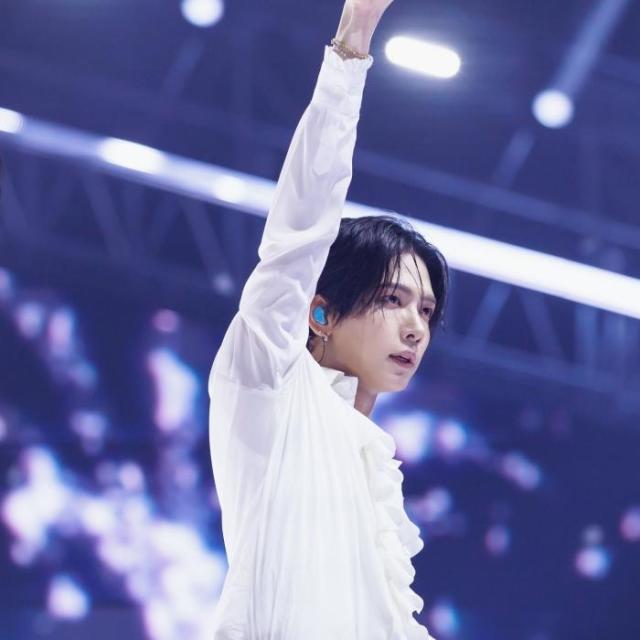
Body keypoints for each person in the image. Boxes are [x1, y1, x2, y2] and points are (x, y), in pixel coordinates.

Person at [208, 0, 448, 637]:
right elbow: (300, 233)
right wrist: (353, 41)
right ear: (319, 310)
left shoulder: (374, 470)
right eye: (392, 299)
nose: (416, 327)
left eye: (426, 310)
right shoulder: (270, 388)